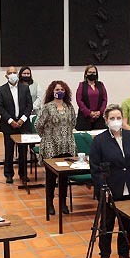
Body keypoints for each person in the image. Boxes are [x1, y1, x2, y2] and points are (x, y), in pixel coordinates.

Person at [89, 104, 130, 258]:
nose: (116, 121)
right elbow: (95, 168)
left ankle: (124, 253)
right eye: (112, 118)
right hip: (110, 189)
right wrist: (103, 188)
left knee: (126, 224)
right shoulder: (99, 140)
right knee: (106, 224)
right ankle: (105, 255)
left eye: (118, 118)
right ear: (106, 121)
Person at [37, 80, 76, 216]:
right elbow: (38, 125)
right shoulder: (47, 107)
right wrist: (47, 137)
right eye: (57, 89)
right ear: (52, 91)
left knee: (64, 178)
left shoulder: (69, 106)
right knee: (51, 178)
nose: (60, 92)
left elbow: (73, 123)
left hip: (67, 146)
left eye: (62, 89)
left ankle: (63, 203)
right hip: (51, 147)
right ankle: (49, 204)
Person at [0, 66, 33, 184]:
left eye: (14, 72)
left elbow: (29, 105)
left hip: (23, 124)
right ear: (6, 76)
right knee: (9, 150)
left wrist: (22, 119)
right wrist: (10, 121)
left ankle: (23, 174)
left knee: (23, 151)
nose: (12, 74)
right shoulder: (0, 90)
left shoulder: (25, 88)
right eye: (10, 72)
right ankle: (9, 174)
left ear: (17, 74)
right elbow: (0, 107)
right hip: (8, 125)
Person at [75, 65, 108, 131]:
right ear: (86, 74)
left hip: (99, 117)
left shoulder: (101, 84)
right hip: (84, 117)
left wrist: (100, 112)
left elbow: (104, 99)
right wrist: (89, 113)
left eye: (94, 72)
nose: (92, 74)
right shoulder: (82, 85)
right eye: (90, 72)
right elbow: (79, 100)